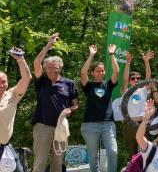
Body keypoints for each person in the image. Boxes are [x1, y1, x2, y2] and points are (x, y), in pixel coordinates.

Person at [31, 33, 80, 172]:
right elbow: (36, 63)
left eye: (55, 67)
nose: (52, 70)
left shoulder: (69, 83)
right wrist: (49, 44)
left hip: (61, 128)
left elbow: (76, 103)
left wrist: (71, 109)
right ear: (45, 69)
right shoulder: (42, 81)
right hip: (42, 126)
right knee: (40, 162)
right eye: (49, 67)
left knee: (57, 164)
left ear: (60, 68)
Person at [79, 44, 120, 172]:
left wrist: (112, 54)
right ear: (93, 73)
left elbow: (116, 72)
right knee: (92, 156)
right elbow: (83, 72)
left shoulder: (108, 84)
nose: (100, 73)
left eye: (102, 70)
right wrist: (91, 55)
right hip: (90, 125)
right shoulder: (88, 86)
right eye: (97, 70)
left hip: (108, 124)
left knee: (113, 152)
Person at [117, 50, 153, 159]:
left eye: (138, 78)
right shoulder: (125, 91)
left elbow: (149, 77)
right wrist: (128, 63)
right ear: (130, 81)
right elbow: (124, 79)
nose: (136, 80)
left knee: (146, 152)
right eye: (133, 78)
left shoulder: (144, 90)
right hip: (129, 124)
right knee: (131, 154)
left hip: (143, 123)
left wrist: (146, 62)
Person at [1, 47, 32, 172]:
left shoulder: (12, 95)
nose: (1, 85)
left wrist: (21, 59)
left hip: (4, 147)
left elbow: (26, 78)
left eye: (4, 82)